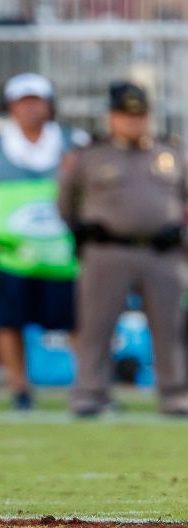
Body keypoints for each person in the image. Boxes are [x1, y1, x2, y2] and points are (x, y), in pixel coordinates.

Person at [0, 73, 89, 410]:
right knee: (9, 323)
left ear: (49, 105)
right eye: (23, 101)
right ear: (9, 106)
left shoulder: (76, 143)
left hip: (65, 254)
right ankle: (19, 388)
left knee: (76, 321)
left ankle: (88, 384)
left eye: (37, 100)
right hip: (9, 255)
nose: (31, 108)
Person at [58, 81, 188, 417]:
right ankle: (90, 393)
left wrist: (179, 232)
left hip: (163, 252)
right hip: (107, 251)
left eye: (139, 116)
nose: (133, 122)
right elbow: (65, 201)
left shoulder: (170, 154)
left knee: (170, 327)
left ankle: (175, 394)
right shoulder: (90, 155)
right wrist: (80, 229)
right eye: (125, 116)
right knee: (96, 327)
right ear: (112, 118)